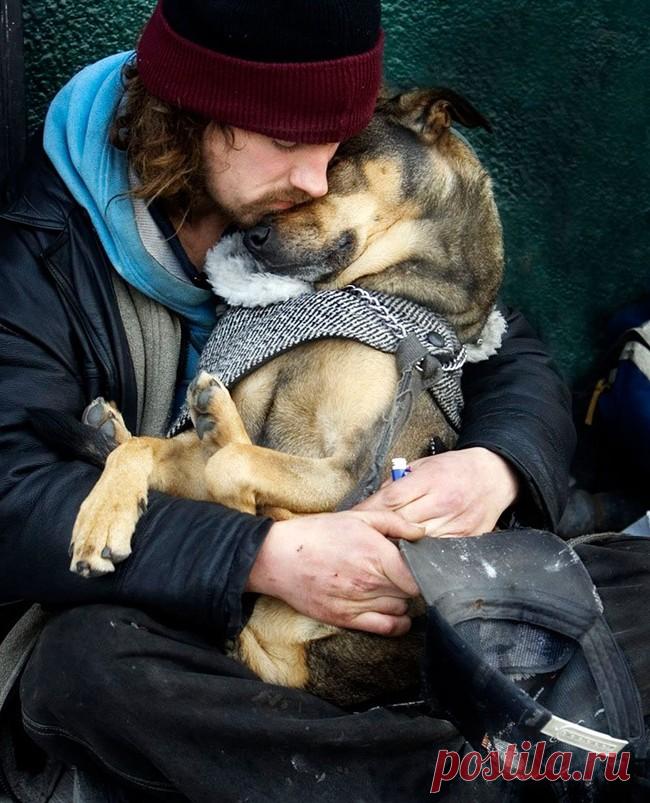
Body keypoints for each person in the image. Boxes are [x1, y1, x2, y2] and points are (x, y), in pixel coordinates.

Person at [0, 1, 575, 800]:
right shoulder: (38, 255)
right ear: (192, 116)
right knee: (80, 667)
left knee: (623, 584)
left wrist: (499, 465)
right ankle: (459, 776)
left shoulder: (314, 193)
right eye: (286, 144)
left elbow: (506, 343)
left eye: (336, 150)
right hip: (172, 605)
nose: (314, 177)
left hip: (385, 599)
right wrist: (262, 559)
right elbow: (12, 499)